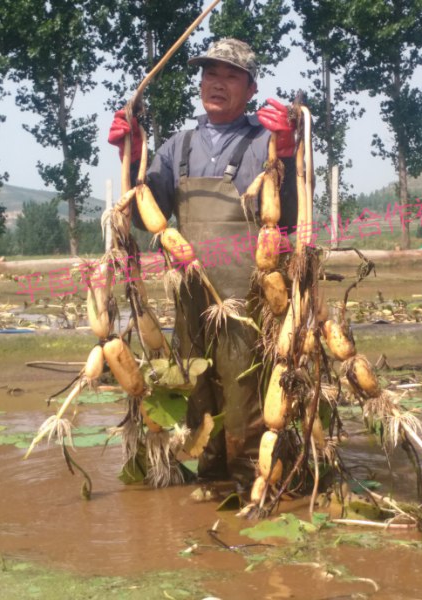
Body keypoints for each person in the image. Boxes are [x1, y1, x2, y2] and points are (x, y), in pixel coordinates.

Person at [109, 38, 297, 490]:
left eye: (230, 75)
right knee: (196, 382)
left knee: (246, 387)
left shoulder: (266, 141)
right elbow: (142, 215)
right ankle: (211, 478)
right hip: (191, 291)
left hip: (249, 293)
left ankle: (255, 478)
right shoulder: (179, 146)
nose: (217, 83)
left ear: (251, 89)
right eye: (210, 73)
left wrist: (288, 153)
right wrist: (130, 154)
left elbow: (288, 218)